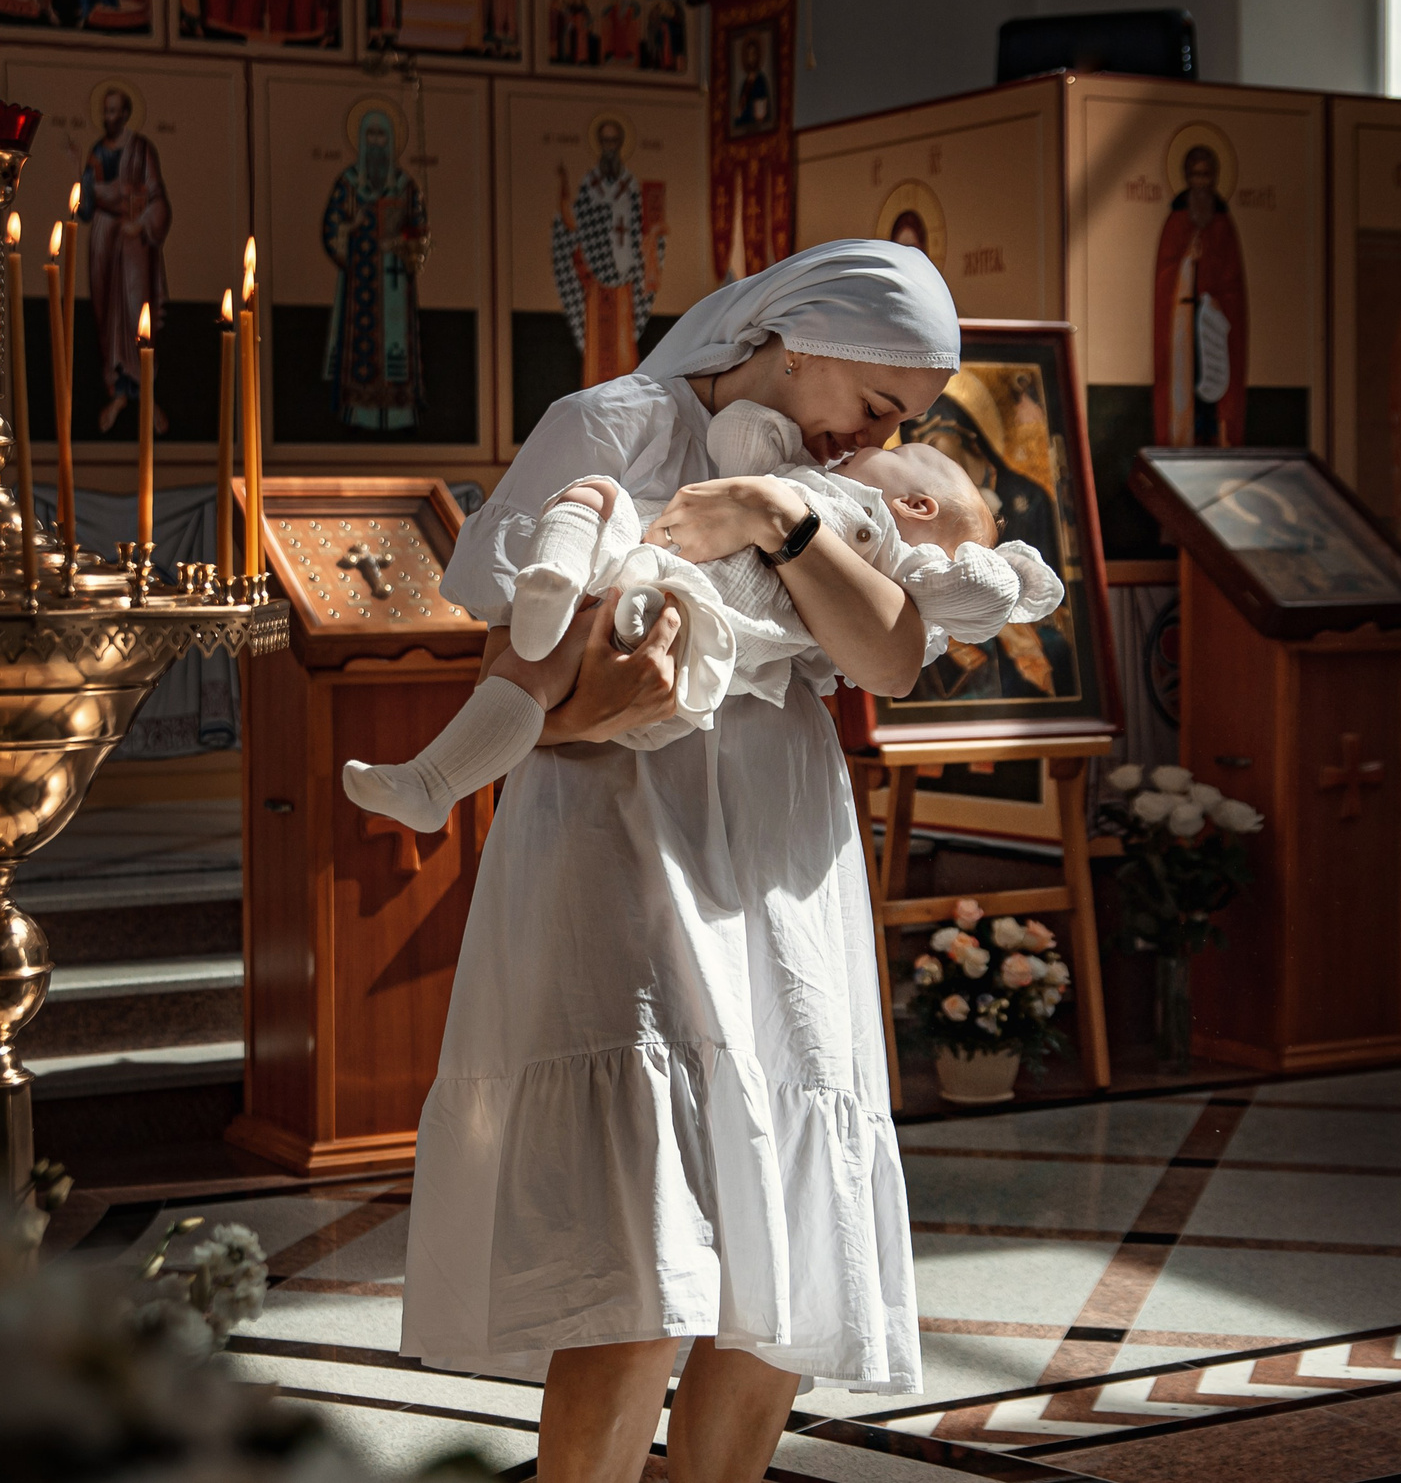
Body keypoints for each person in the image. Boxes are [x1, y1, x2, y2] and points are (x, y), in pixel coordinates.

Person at [403, 240, 949, 1483]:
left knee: (790, 1259)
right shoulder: (612, 422)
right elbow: (510, 670)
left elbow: (892, 660)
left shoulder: (832, 484)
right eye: (872, 404)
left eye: (900, 422)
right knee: (640, 1257)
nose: (868, 436)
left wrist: (777, 513)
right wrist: (604, 709)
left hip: (782, 853)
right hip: (619, 842)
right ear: (804, 333)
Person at [345, 401, 1060, 831]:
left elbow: (955, 604)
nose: (882, 434)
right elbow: (740, 439)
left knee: (564, 645)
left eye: (899, 444)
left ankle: (445, 768)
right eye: (880, 410)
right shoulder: (804, 471)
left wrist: (1004, 573)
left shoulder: (888, 549)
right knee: (592, 498)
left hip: (693, 617)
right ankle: (442, 765)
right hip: (648, 559)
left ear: (917, 506)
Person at [320, 107, 429, 430]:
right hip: (360, 287)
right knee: (360, 351)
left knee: (397, 353)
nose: (377, 142)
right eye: (371, 135)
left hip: (396, 284)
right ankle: (358, 412)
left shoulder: (405, 186)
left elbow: (421, 231)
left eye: (382, 135)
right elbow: (331, 229)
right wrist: (349, 227)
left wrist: (406, 242)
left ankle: (399, 414)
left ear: (392, 141)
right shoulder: (349, 184)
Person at [76, 86, 171, 432]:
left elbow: (157, 198)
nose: (108, 117)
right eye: (105, 111)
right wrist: (86, 184)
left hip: (133, 243)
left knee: (135, 310)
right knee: (106, 316)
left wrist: (142, 223)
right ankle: (117, 392)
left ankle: (145, 393)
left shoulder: (141, 149)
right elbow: (85, 208)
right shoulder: (97, 152)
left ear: (127, 114)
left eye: (115, 111)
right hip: (104, 239)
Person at [553, 117, 663, 386]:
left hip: (624, 285)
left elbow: (643, 227)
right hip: (596, 284)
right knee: (597, 350)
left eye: (614, 141)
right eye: (605, 142)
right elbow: (574, 223)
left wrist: (654, 239)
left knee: (624, 351)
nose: (609, 147)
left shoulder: (631, 186)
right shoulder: (590, 185)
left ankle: (624, 402)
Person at [1152, 142, 1248, 445]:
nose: (1201, 183)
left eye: (1206, 176)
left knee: (1215, 385)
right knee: (1185, 378)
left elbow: (1233, 280)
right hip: (1182, 321)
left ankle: (1216, 435)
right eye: (1195, 175)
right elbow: (1165, 275)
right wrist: (1185, 264)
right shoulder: (1176, 221)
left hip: (1215, 323)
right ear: (1186, 178)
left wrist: (1220, 301)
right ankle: (1184, 435)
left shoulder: (1223, 224)